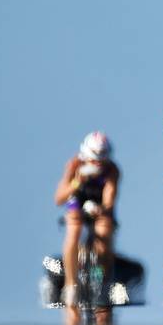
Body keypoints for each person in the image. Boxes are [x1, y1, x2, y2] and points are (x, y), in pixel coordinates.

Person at [53, 131, 120, 307]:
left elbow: (110, 197)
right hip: (77, 200)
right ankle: (70, 285)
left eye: (100, 162)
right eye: (93, 161)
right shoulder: (75, 165)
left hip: (99, 204)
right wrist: (77, 182)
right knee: (74, 229)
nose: (97, 165)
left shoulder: (112, 170)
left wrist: (103, 209)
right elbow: (59, 197)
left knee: (104, 231)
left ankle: (104, 284)